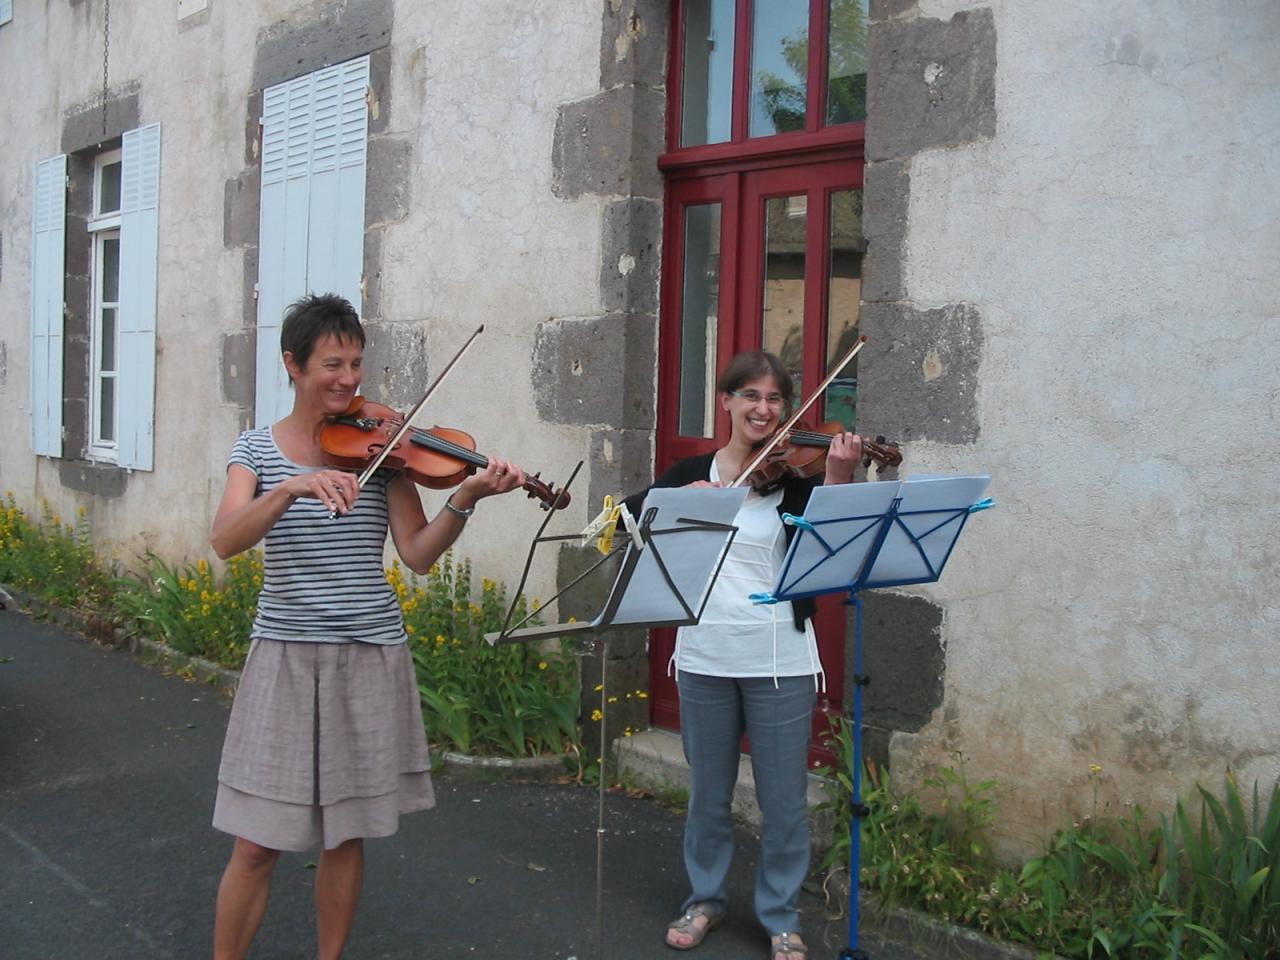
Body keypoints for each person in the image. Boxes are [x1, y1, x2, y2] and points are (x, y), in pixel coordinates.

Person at [208, 293, 526, 960]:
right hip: (286, 657)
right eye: (332, 364)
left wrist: (464, 500)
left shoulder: (382, 449)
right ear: (293, 364)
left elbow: (415, 554)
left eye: (355, 363)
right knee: (256, 842)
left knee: (344, 835)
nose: (350, 380)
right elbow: (225, 540)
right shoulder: (256, 450)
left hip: (368, 653)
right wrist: (290, 488)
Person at [624, 351, 868, 960]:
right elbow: (628, 517)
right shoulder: (689, 475)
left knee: (783, 799)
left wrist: (839, 479)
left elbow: (833, 553)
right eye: (751, 396)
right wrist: (693, 502)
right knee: (708, 792)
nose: (764, 409)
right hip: (705, 654)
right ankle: (704, 899)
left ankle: (780, 913)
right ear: (726, 402)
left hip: (780, 658)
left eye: (776, 400)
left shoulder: (798, 483)